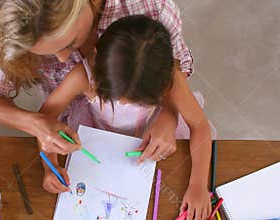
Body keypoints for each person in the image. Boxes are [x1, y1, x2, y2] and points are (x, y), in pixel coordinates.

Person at [39, 16, 213, 220]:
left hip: (157, 139)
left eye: (140, 102)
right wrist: (50, 167)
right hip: (97, 135)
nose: (123, 105)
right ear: (97, 61)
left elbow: (200, 126)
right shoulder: (83, 76)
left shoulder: (169, 78)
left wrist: (198, 185)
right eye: (114, 98)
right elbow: (45, 118)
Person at [0, 0, 191, 159]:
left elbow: (172, 71)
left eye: (69, 43)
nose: (62, 58)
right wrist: (37, 123)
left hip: (151, 126)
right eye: (44, 53)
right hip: (72, 132)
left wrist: (169, 115)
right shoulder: (19, 27)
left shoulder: (149, 7)